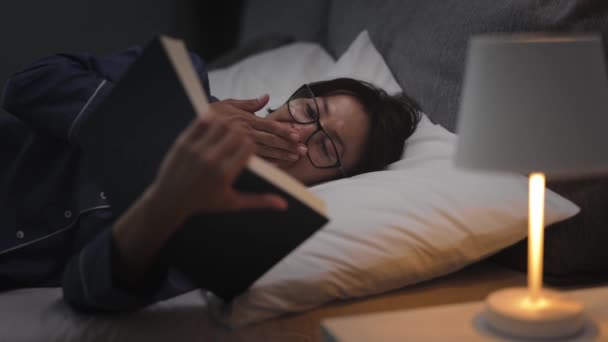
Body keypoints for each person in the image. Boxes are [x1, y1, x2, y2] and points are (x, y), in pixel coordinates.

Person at [0, 45, 420, 312]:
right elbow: (27, 86)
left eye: (325, 148)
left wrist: (166, 205)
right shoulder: (180, 80)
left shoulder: (225, 236)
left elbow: (85, 289)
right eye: (309, 112)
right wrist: (180, 124)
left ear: (330, 181)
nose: (296, 134)